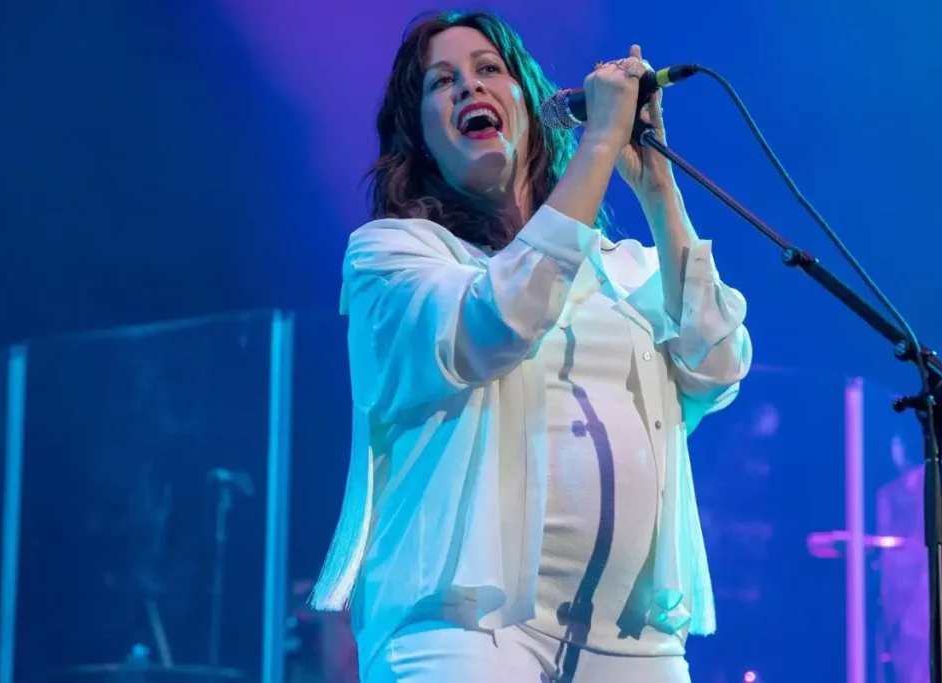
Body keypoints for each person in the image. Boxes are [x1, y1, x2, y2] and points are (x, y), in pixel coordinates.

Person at [311, 10, 752, 683]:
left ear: (531, 106)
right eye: (443, 82)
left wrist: (658, 190)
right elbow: (495, 323)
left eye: (490, 70)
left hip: (633, 640)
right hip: (463, 630)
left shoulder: (624, 267)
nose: (469, 87)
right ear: (422, 134)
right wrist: (600, 144)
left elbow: (718, 362)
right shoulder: (395, 256)